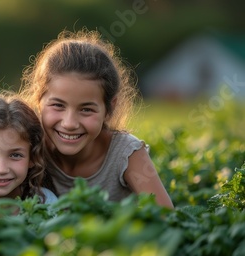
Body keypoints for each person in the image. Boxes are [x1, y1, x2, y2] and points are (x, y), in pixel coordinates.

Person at [20, 29, 174, 209]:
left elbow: (166, 217)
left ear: (110, 108)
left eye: (86, 109)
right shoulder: (28, 147)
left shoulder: (125, 154)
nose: (69, 123)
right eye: (58, 106)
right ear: (39, 100)